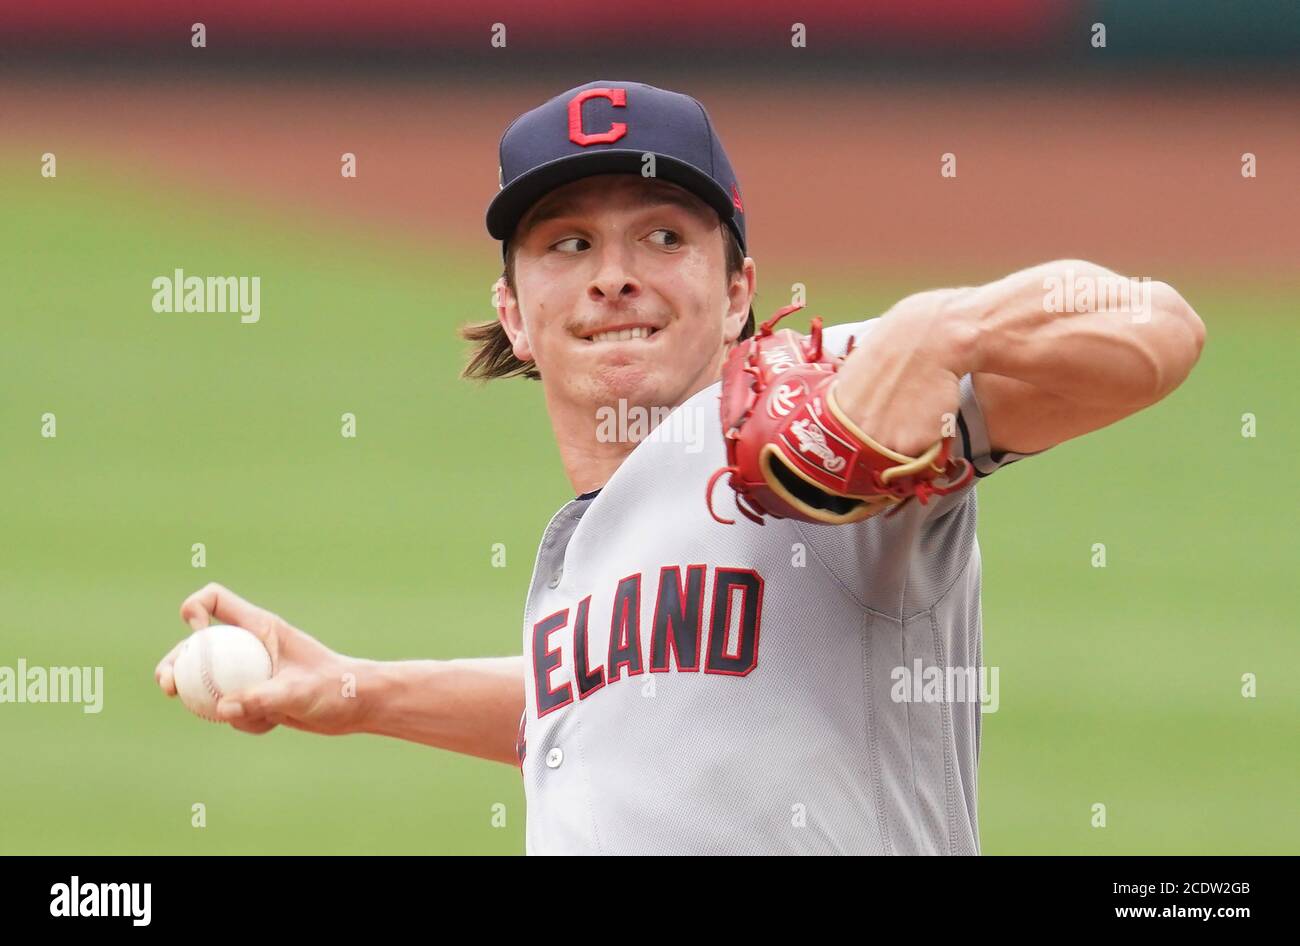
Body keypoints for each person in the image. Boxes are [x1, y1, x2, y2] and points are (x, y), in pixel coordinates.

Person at [156, 80, 1205, 854]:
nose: (614, 276)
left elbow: (1157, 326)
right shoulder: (584, 544)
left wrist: (935, 333)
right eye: (568, 245)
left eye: (662, 235)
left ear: (739, 287)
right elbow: (612, 707)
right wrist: (354, 690)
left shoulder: (841, 405)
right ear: (515, 313)